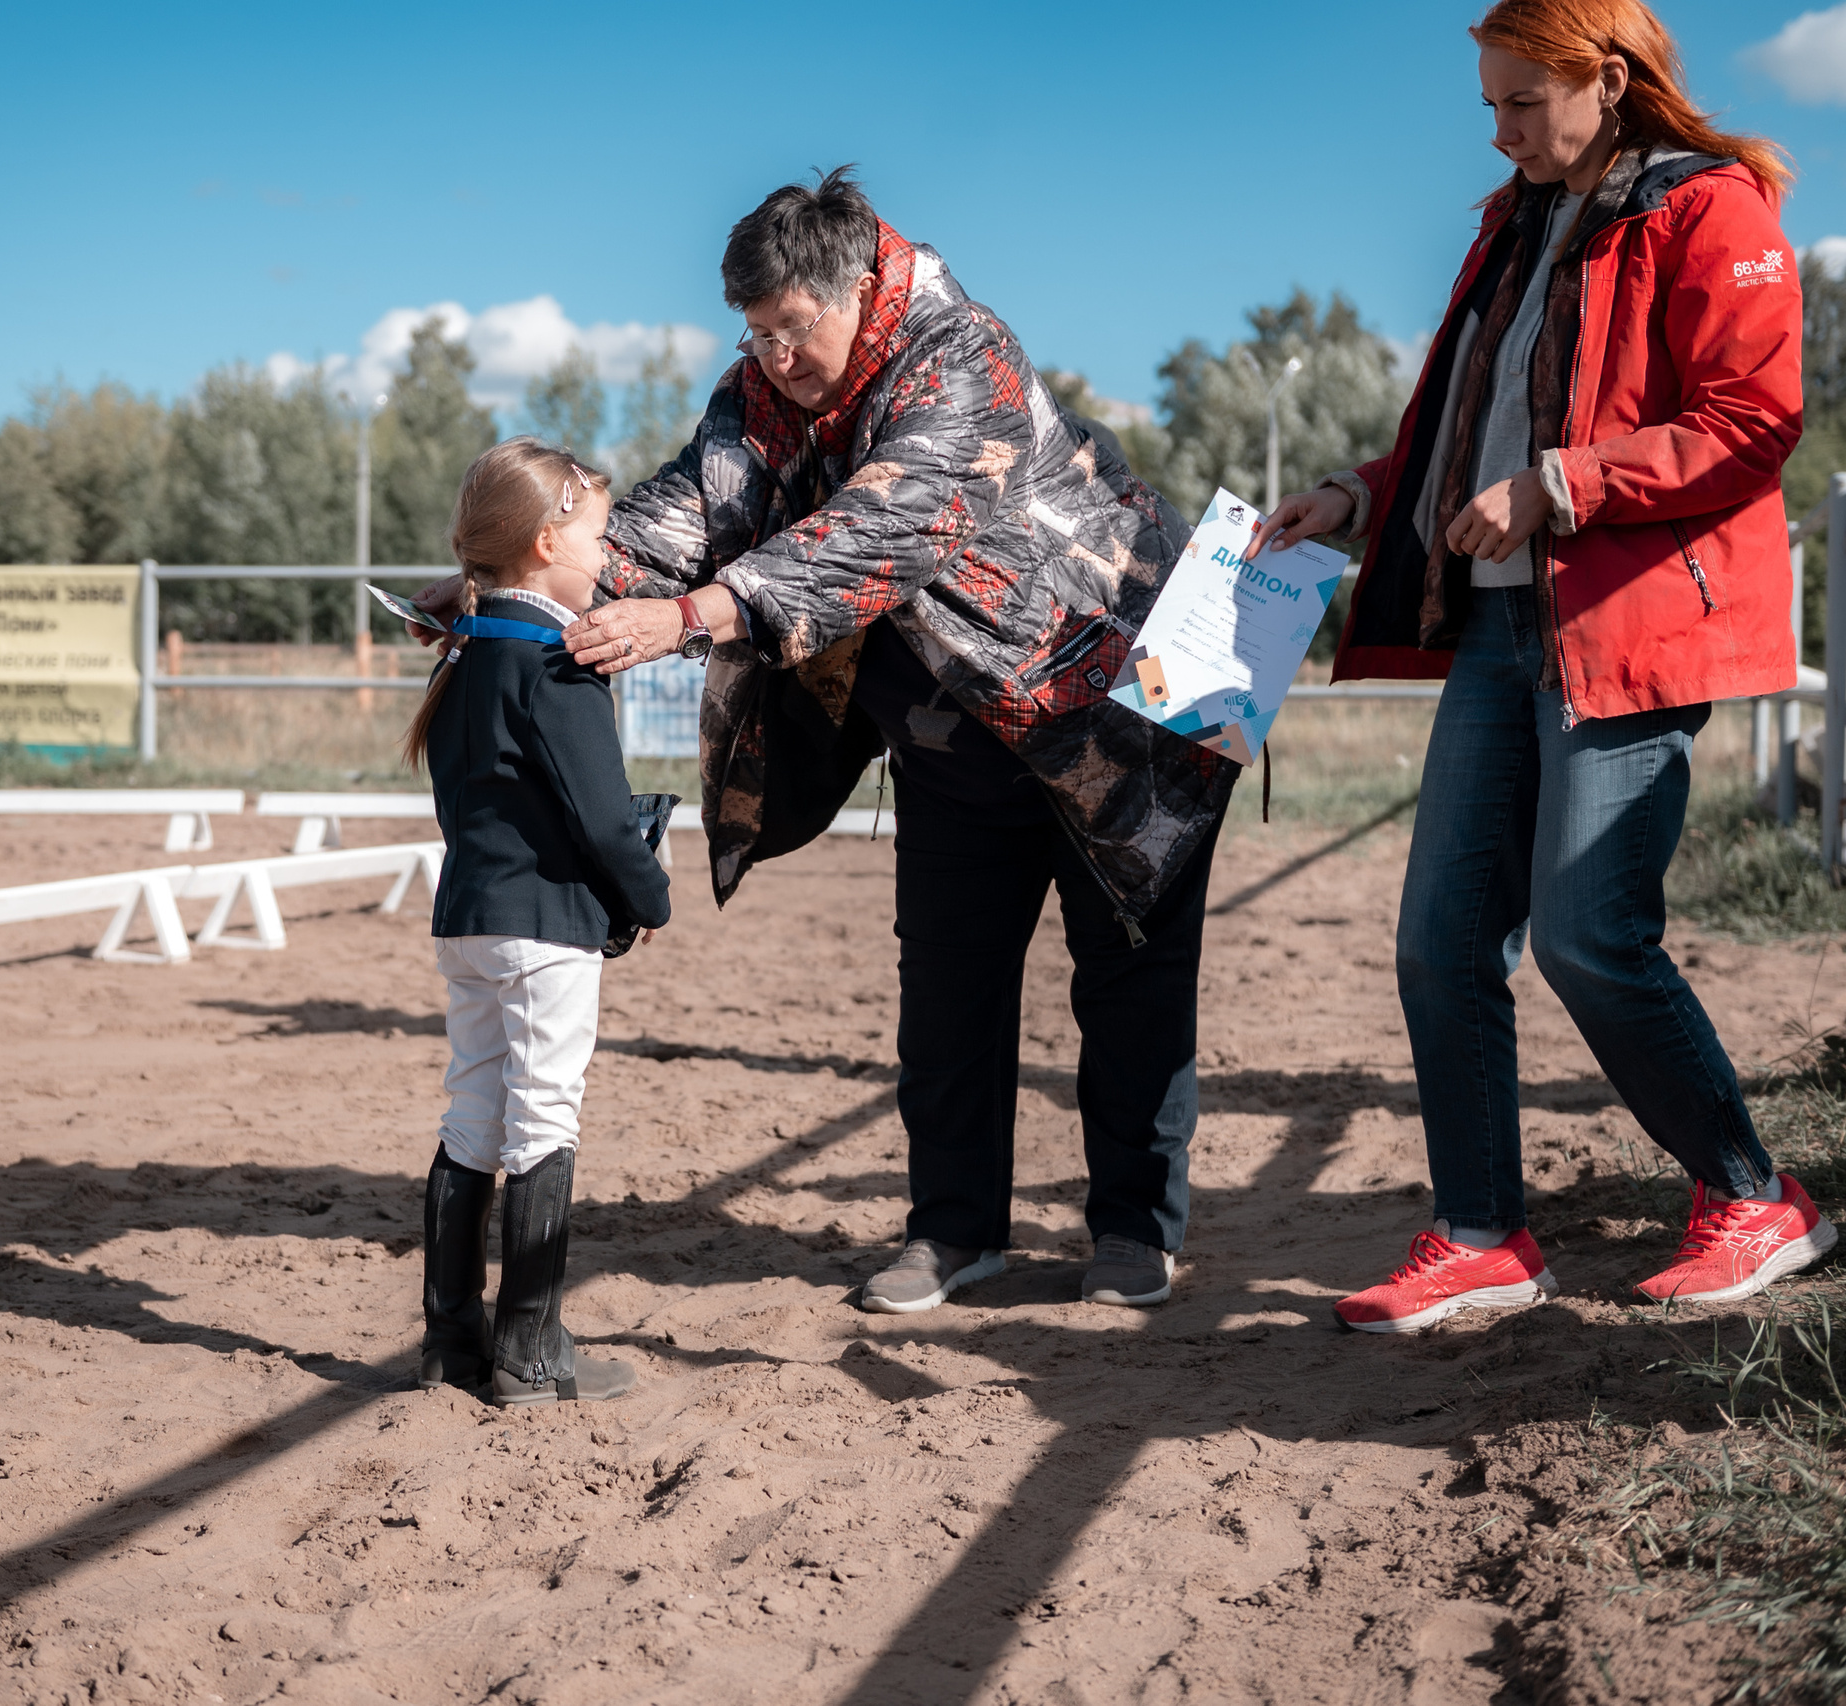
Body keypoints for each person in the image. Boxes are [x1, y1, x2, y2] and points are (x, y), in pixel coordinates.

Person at [508, 168, 1235, 1313]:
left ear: (858, 286)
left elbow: (886, 524)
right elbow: (682, 512)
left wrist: (694, 615)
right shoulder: (758, 388)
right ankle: (953, 1233)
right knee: (944, 991)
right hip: (952, 735)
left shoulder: (964, 354)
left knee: (1133, 978)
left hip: (1121, 714)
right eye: (753, 334)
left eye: (790, 330)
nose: (773, 358)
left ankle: (1135, 1229)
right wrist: (519, 588)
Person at [1251, 0, 1835, 1333]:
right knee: (1441, 942)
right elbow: (1473, 437)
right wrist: (1354, 494)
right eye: (1491, 105)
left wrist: (1565, 486)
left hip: (1632, 625)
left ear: (1610, 83)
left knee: (1587, 936)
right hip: (1505, 630)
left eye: (1524, 102)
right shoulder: (1513, 230)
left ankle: (1756, 1193)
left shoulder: (1712, 211)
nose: (1502, 130)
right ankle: (1479, 1232)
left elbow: (1754, 420)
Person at [407, 438, 671, 1403]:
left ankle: (451, 1338)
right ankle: (530, 1348)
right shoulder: (559, 665)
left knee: (472, 1111)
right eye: (598, 535)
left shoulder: (467, 655)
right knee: (543, 1116)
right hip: (544, 925)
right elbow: (601, 816)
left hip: (469, 915)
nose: (609, 554)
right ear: (547, 536)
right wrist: (649, 897)